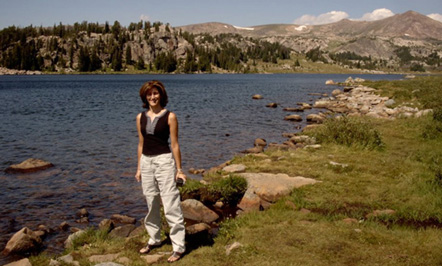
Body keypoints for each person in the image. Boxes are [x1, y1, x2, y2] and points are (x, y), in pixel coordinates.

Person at [135, 80, 187, 263]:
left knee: (170, 202)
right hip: (146, 162)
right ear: (145, 97)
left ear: (161, 95)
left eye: (155, 93)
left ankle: (179, 246)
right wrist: (139, 167)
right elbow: (141, 144)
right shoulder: (140, 117)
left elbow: (174, 144)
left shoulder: (170, 116)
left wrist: (179, 170)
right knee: (151, 201)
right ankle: (154, 239)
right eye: (149, 94)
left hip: (164, 161)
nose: (152, 97)